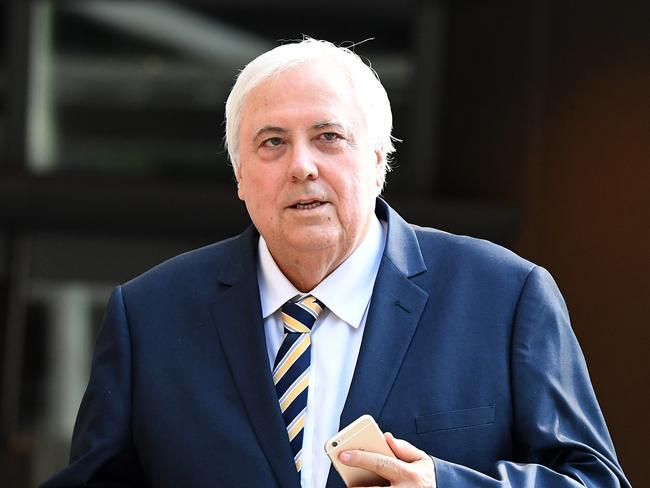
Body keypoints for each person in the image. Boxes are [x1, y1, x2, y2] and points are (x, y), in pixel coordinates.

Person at [43, 39, 629, 488]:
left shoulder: (506, 297)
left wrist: (444, 483)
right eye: (272, 142)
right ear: (240, 176)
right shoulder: (149, 315)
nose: (302, 166)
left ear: (378, 159)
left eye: (328, 137)